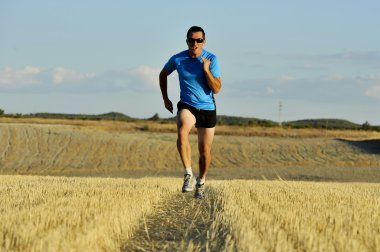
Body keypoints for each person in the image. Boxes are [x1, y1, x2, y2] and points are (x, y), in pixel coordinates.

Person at [159, 26, 221, 199]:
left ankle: (201, 182)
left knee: (204, 151)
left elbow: (216, 89)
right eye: (191, 40)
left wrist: (206, 70)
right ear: (187, 41)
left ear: (204, 42)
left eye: (198, 40)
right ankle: (188, 174)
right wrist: (165, 98)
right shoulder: (178, 59)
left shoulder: (211, 59)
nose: (195, 43)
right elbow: (162, 74)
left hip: (207, 107)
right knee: (182, 130)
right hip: (187, 104)